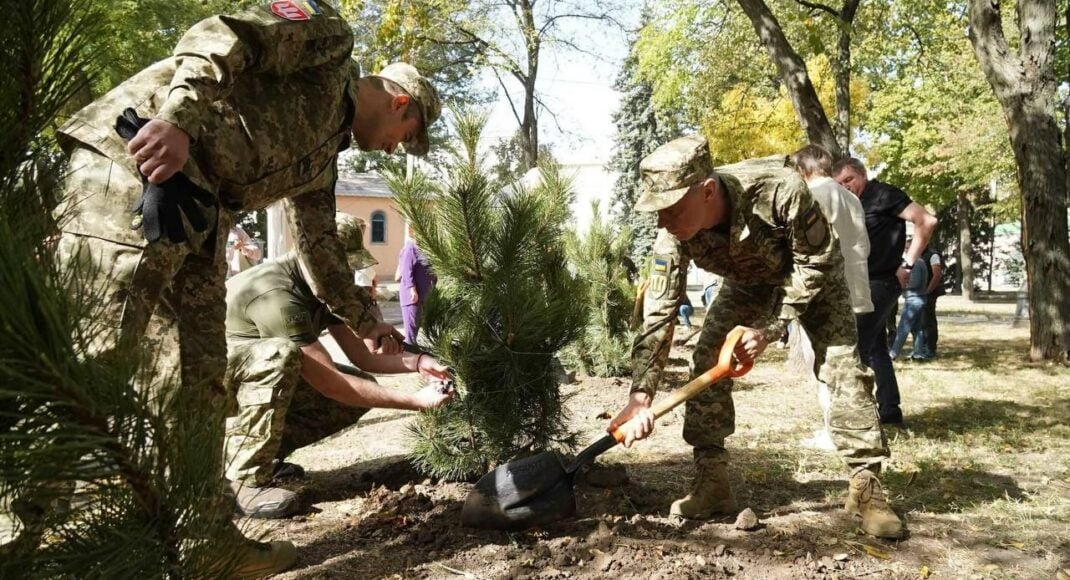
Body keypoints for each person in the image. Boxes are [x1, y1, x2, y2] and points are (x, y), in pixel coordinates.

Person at [42, 2, 441, 575]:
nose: (396, 148)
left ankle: (208, 541)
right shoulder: (328, 43)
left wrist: (368, 322)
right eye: (407, 136)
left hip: (201, 212)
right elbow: (224, 33)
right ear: (402, 104)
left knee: (199, 377)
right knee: (99, 355)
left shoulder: (324, 153)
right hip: (138, 164)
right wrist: (178, 120)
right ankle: (42, 543)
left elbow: (319, 246)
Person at [609, 135, 903, 539]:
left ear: (708, 191)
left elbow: (814, 263)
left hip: (812, 279)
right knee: (708, 357)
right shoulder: (673, 235)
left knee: (842, 368)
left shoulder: (781, 190)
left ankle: (867, 488)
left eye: (671, 208)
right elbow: (658, 313)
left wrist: (770, 329)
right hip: (748, 282)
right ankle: (712, 484)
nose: (662, 220)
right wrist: (640, 395)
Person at [223, 213, 453, 519]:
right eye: (337, 267)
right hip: (210, 387)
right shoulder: (275, 294)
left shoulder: (322, 288)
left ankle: (264, 457)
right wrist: (415, 402)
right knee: (281, 356)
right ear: (313, 260)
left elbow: (363, 355)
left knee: (358, 384)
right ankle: (244, 478)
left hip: (244, 381)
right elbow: (330, 382)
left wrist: (420, 361)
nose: (343, 274)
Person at [832, 158, 938, 425]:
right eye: (839, 184)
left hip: (881, 283)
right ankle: (890, 410)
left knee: (857, 349)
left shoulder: (883, 194)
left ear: (862, 175)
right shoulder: (848, 204)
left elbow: (926, 220)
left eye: (849, 180)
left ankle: (857, 417)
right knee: (877, 347)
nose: (845, 187)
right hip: (859, 284)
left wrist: (908, 263)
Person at [791, 144, 873, 450]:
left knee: (826, 366)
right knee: (851, 364)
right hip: (856, 288)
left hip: (824, 294)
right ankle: (854, 428)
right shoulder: (851, 197)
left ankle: (834, 431)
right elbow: (862, 245)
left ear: (802, 170)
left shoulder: (810, 197)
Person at [888, 235, 931, 361]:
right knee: (917, 328)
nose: (906, 251)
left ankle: (893, 354)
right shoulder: (919, 261)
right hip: (916, 299)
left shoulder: (916, 263)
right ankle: (918, 353)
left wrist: (900, 284)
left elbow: (915, 282)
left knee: (903, 327)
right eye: (905, 248)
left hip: (914, 299)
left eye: (908, 248)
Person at [397, 226, 437, 345]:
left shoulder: (426, 249)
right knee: (411, 332)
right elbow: (405, 271)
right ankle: (409, 357)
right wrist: (412, 290)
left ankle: (413, 353)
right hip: (412, 297)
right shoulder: (410, 248)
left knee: (416, 328)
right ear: (412, 232)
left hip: (424, 295)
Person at [920, 246, 945, 358]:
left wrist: (928, 291)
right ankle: (921, 347)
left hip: (929, 293)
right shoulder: (918, 255)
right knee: (920, 322)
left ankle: (930, 348)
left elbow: (937, 275)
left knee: (928, 321)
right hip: (920, 293)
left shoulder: (933, 256)